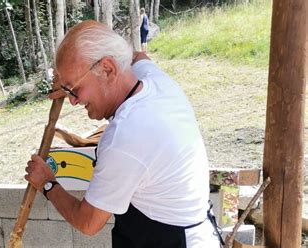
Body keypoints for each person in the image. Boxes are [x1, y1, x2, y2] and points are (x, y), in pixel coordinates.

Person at [25, 20, 222, 247]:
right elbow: (138, 56)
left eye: (75, 90)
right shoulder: (154, 81)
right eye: (69, 90)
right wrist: (71, 78)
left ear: (108, 69)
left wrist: (47, 183)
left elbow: (88, 222)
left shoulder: (127, 135)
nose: (72, 100)